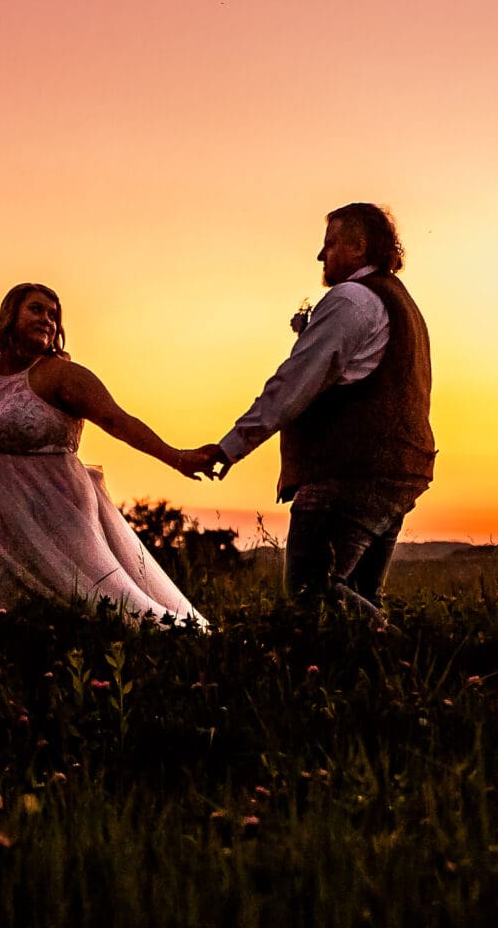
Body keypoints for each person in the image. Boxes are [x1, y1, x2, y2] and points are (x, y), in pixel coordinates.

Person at [172, 203, 434, 620]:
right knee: (357, 600)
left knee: (311, 594)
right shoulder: (402, 304)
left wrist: (228, 448)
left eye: (329, 244)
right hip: (399, 470)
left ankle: (419, 659)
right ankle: (394, 676)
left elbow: (293, 386)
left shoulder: (352, 299)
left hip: (348, 473)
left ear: (359, 246)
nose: (320, 255)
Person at [0, 282, 204, 623]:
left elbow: (118, 421)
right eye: (36, 309)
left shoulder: (63, 375)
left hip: (49, 510)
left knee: (79, 609)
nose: (48, 320)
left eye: (54, 316)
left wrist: (177, 458)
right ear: (8, 315)